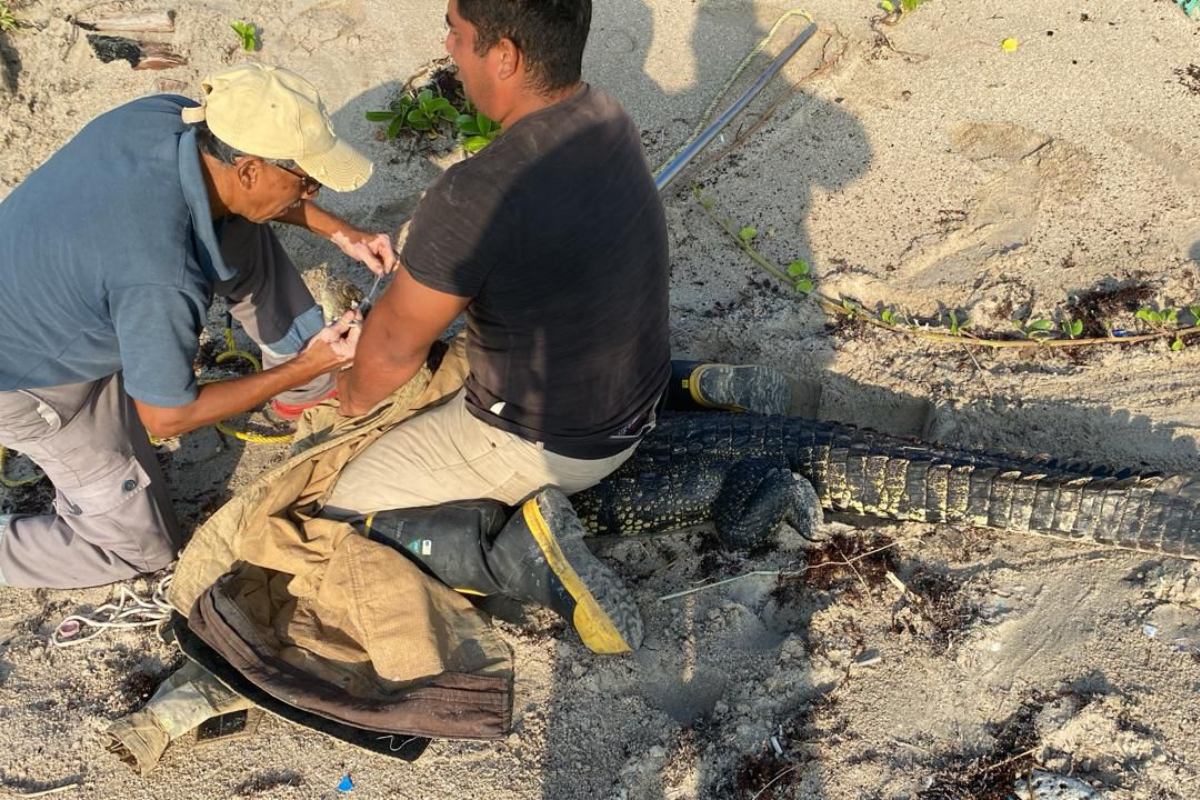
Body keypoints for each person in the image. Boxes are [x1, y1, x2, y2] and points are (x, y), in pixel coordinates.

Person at [321, 0, 789, 655]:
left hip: (554, 442)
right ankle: (696, 385)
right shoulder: (607, 115)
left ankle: (521, 555)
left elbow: (390, 355)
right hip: (638, 392)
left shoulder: (472, 193)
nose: (448, 50)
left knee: (342, 517)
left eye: (456, 36)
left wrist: (346, 396)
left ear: (505, 56)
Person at [0, 63, 394, 589]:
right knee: (140, 547)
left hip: (65, 292)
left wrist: (342, 233)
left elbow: (241, 202)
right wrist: (308, 360)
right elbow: (166, 418)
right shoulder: (162, 275)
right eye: (306, 179)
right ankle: (310, 369)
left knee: (237, 227)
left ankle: (307, 386)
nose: (315, 192)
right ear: (250, 167)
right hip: (33, 384)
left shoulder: (171, 118)